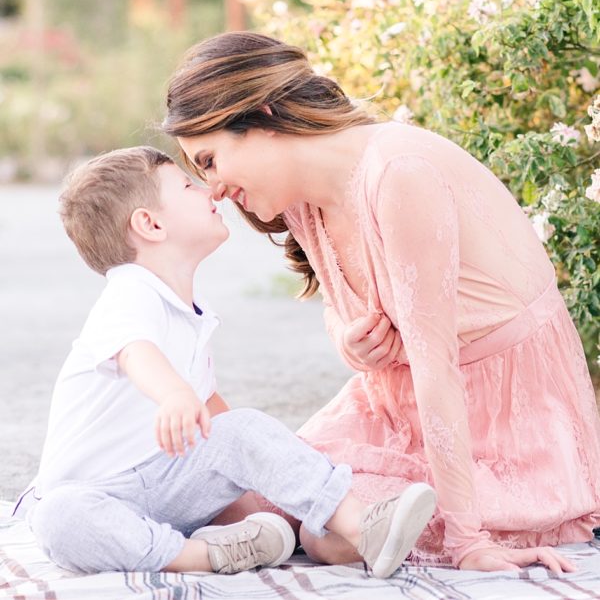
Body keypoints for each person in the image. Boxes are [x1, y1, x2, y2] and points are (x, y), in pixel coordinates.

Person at [162, 30, 600, 575]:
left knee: (330, 532)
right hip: (391, 406)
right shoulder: (302, 199)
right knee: (238, 497)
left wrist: (469, 541)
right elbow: (340, 307)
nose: (213, 189)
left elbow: (437, 365)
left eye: (209, 160)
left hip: (500, 420)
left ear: (264, 116)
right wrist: (348, 341)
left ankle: (450, 514)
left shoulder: (397, 173)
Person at [13, 146, 436, 578]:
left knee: (242, 427)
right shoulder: (130, 291)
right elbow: (135, 350)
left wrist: (250, 493)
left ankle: (357, 526)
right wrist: (174, 394)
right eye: (188, 185)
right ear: (150, 223)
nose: (210, 191)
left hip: (166, 485)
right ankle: (199, 557)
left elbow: (217, 421)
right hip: (96, 495)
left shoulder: (193, 312)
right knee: (60, 517)